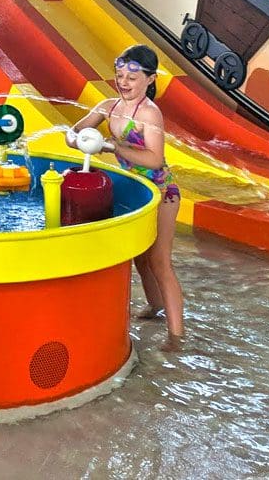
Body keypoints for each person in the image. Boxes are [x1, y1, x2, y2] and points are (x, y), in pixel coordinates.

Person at [69, 44, 184, 347]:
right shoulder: (108, 106)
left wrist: (112, 147)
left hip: (162, 191)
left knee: (159, 260)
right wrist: (77, 138)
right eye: (120, 76)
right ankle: (155, 305)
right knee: (139, 257)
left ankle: (177, 336)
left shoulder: (149, 113)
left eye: (132, 78)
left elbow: (155, 159)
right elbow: (75, 131)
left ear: (150, 79)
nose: (124, 83)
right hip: (136, 190)